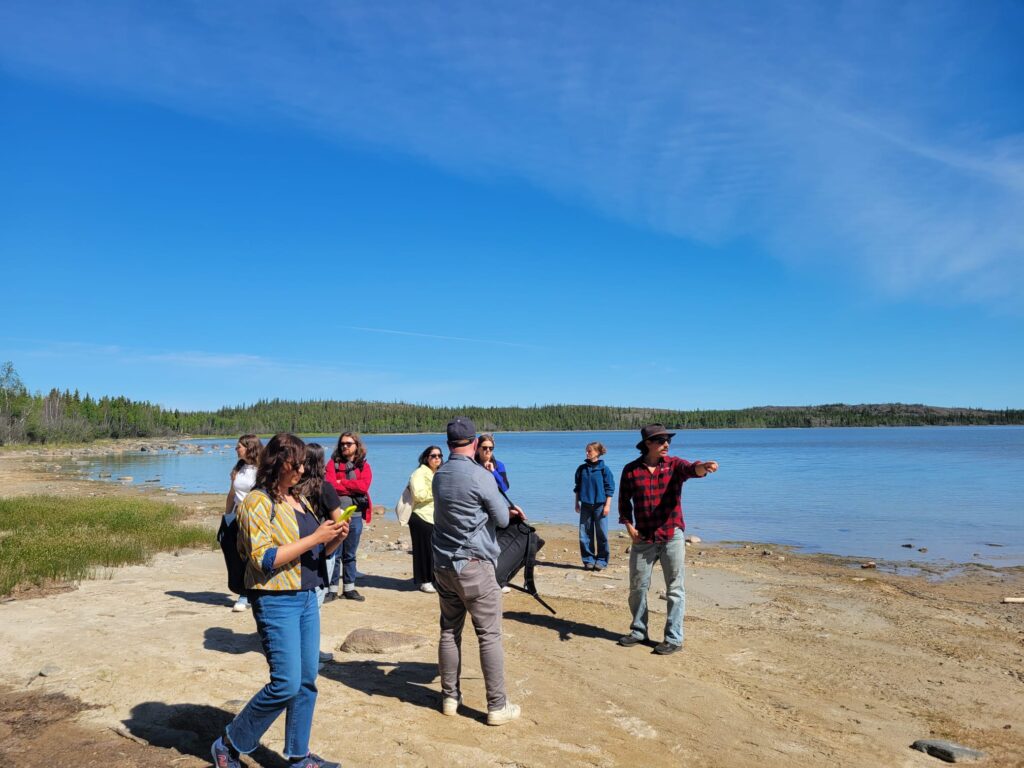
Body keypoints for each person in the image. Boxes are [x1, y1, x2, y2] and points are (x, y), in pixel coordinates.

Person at [210, 433, 347, 768]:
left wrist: (332, 540)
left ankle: (299, 757)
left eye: (301, 462)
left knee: (305, 682)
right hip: (275, 600)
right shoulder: (257, 502)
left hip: (306, 596)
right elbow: (264, 559)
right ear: (277, 463)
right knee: (285, 683)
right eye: (295, 462)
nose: (301, 468)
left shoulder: (297, 499)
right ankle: (228, 743)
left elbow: (313, 552)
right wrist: (316, 536)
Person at [432, 416, 525, 726]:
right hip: (474, 565)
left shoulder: (439, 474)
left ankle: (449, 697)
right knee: (488, 635)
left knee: (449, 629)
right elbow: (500, 518)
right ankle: (497, 706)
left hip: (443, 565)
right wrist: (504, 509)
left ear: (447, 444)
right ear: (473, 443)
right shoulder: (479, 476)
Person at [617, 424, 719, 656]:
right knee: (637, 587)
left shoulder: (674, 465)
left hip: (672, 535)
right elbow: (624, 502)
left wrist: (704, 467)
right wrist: (630, 528)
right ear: (647, 444)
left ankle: (673, 638)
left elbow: (692, 469)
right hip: (643, 537)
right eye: (661, 440)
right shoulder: (631, 470)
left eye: (668, 440)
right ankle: (638, 631)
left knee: (675, 589)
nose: (666, 444)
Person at [325, 431, 373, 602]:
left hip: (356, 515)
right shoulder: (332, 464)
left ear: (356, 445)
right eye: (342, 443)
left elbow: (363, 486)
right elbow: (329, 485)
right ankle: (331, 589)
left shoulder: (363, 466)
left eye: (348, 443)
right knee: (334, 553)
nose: (345, 446)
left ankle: (349, 588)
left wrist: (342, 483)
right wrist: (351, 486)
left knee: (350, 554)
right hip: (335, 515)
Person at [221, 434, 262, 612]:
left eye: (239, 446)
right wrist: (227, 515)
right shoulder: (239, 468)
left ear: (249, 447)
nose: (236, 449)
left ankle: (254, 593)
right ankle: (244, 593)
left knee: (255, 554)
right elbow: (232, 494)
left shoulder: (262, 469)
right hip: (239, 516)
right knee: (239, 554)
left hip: (256, 517)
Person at [573, 441, 616, 572]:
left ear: (597, 452)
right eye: (586, 450)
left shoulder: (604, 469)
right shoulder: (581, 469)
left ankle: (602, 561)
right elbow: (577, 488)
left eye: (590, 451)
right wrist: (576, 503)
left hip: (600, 506)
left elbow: (610, 489)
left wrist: (607, 505)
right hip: (585, 505)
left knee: (602, 534)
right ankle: (589, 560)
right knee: (584, 534)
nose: (587, 453)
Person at [408, 445, 443, 593]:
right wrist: (436, 491)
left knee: (435, 551)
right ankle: (424, 580)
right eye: (433, 456)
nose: (437, 459)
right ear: (426, 458)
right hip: (421, 516)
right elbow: (418, 495)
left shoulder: (440, 473)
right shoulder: (419, 473)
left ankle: (434, 579)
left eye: (439, 456)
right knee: (423, 551)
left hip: (436, 518)